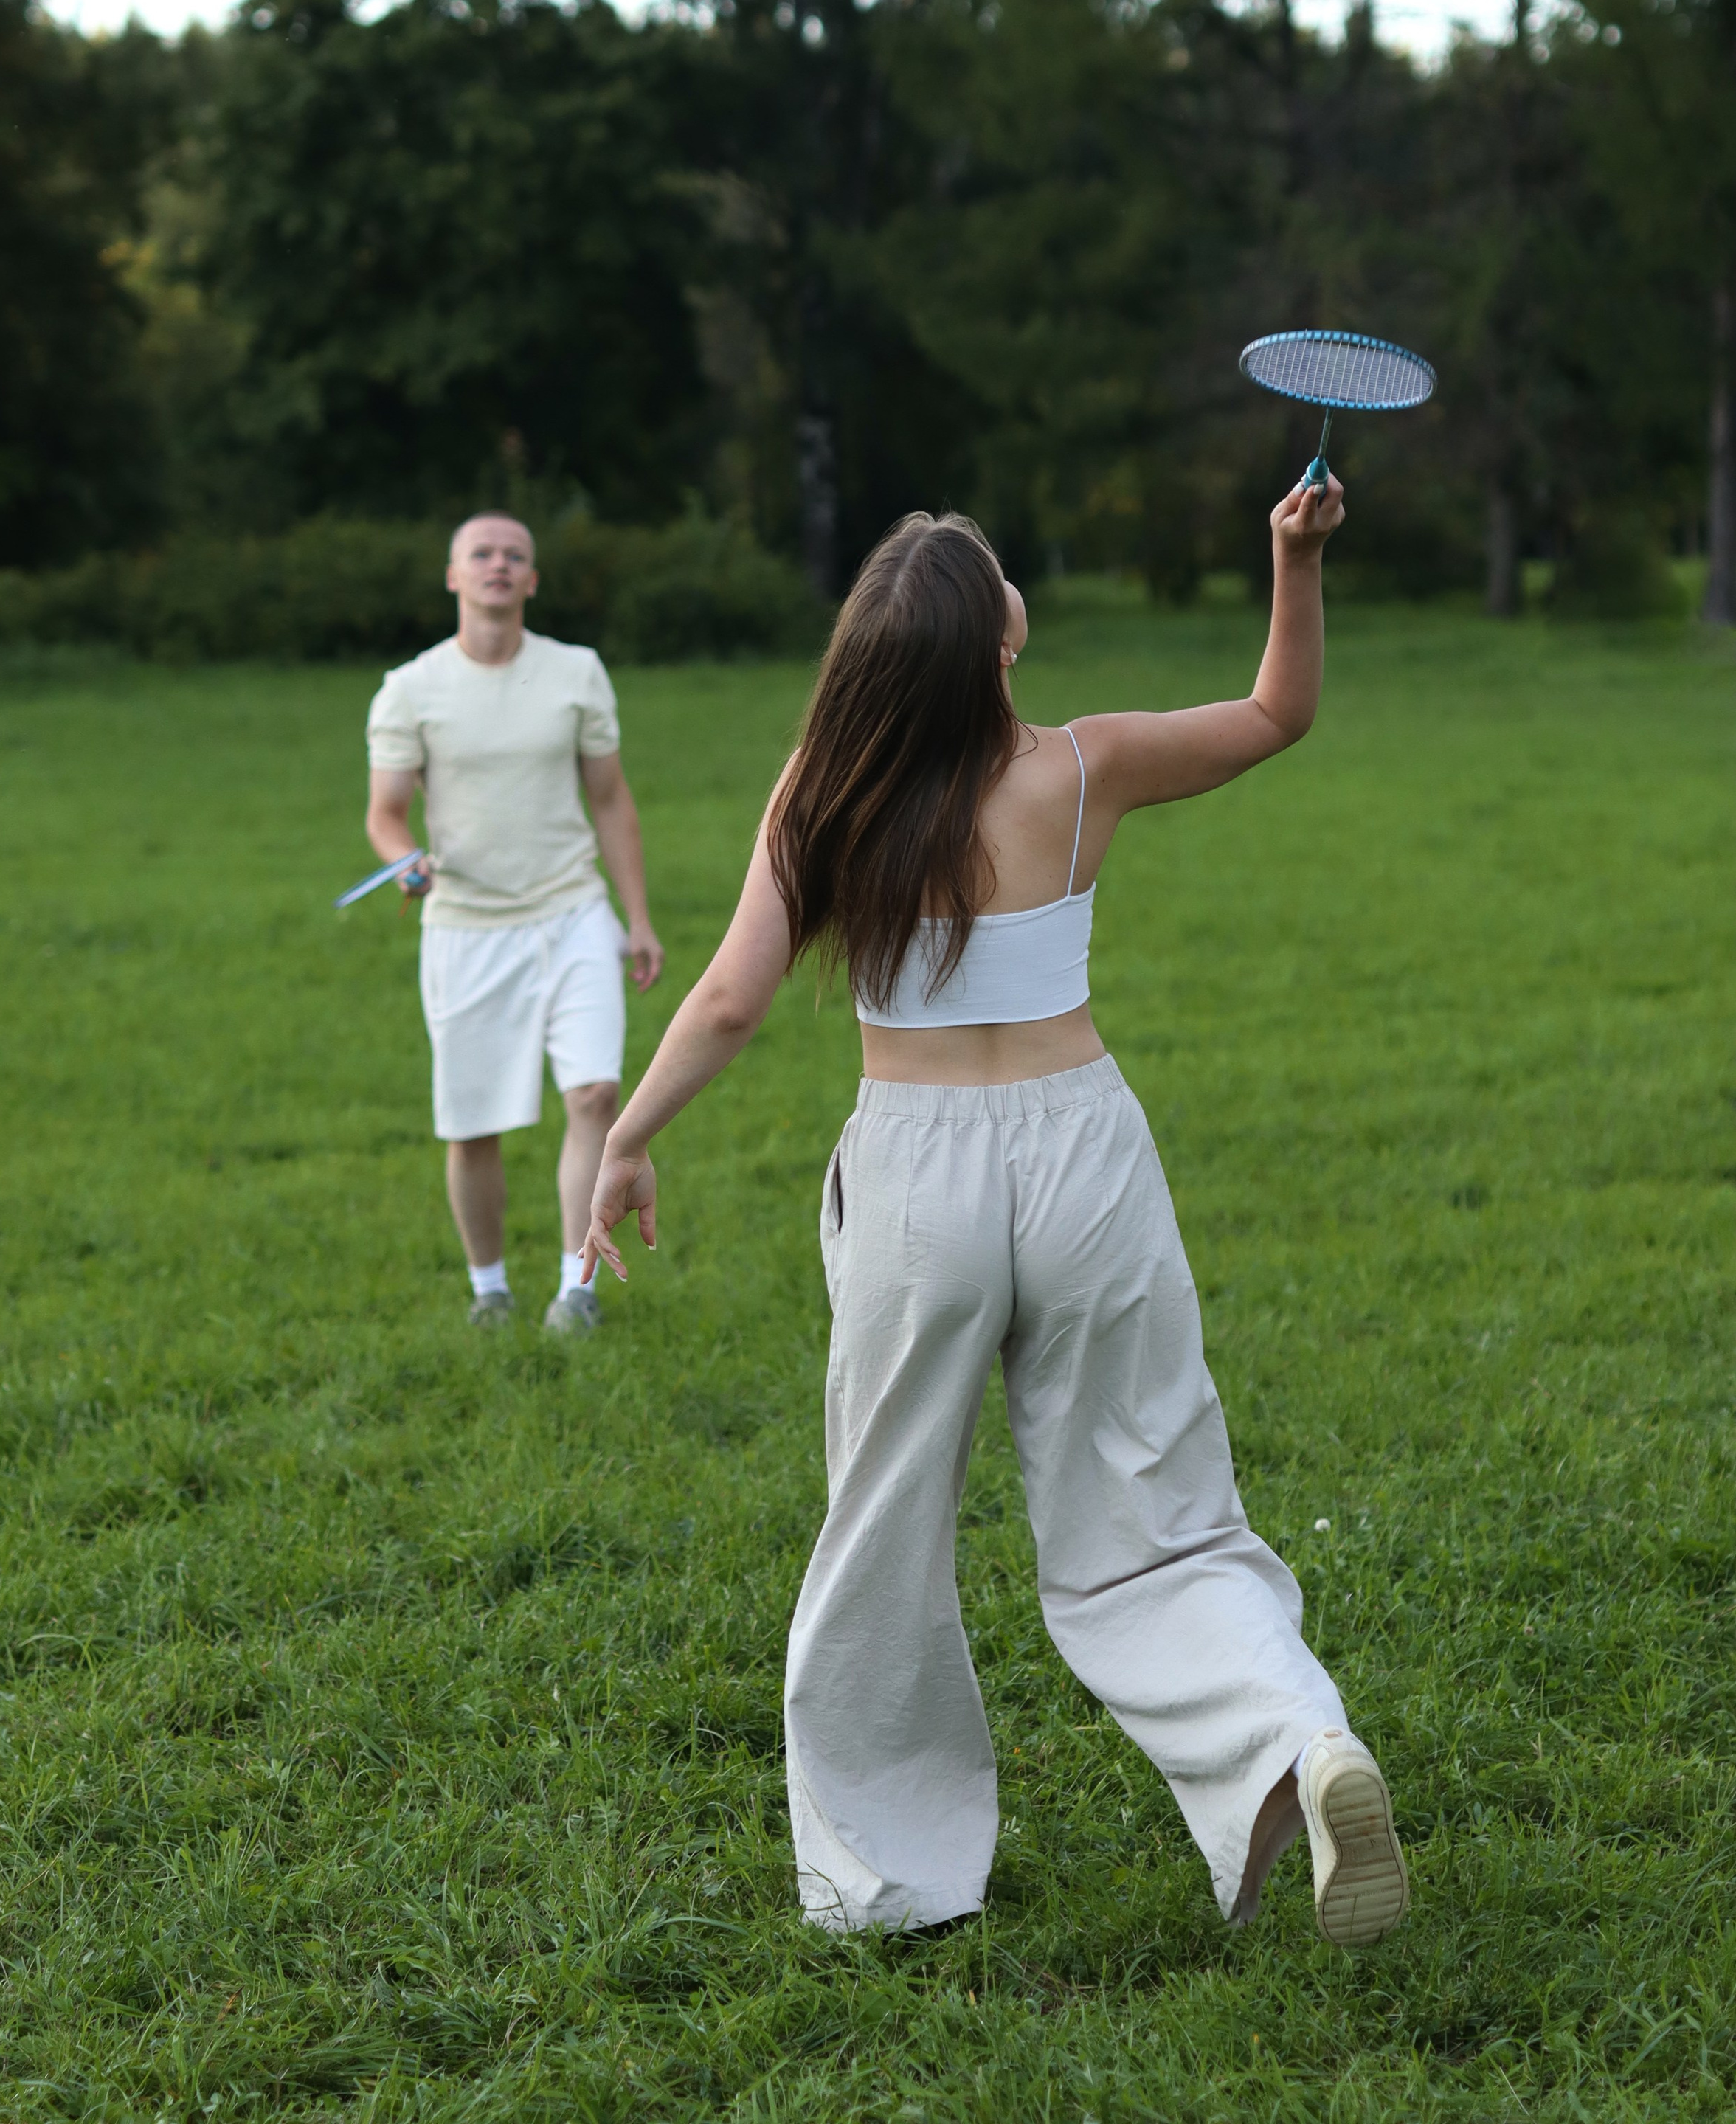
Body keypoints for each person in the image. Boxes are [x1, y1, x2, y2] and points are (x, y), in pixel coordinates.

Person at [581, 480, 1409, 1943]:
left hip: (915, 1174)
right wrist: (1291, 561)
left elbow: (726, 999)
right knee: (1151, 1515)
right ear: (999, 643)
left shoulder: (821, 788)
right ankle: (1294, 1742)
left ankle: (887, 1880)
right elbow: (1276, 713)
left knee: (882, 1530)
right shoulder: (1080, 770)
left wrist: (628, 1140)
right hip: (1084, 1153)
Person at [364, 512, 664, 1336]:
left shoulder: (575, 672)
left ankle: (577, 1290)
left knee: (597, 1094)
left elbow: (610, 798)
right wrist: (404, 861)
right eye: (482, 554)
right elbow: (386, 815)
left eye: (515, 557)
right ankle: (488, 1287)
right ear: (453, 576)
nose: (499, 565)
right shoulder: (409, 688)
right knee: (474, 1130)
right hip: (464, 929)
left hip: (571, 912)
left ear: (532, 581)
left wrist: (635, 916)